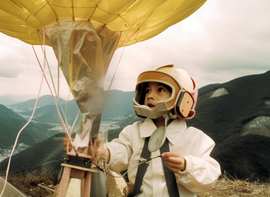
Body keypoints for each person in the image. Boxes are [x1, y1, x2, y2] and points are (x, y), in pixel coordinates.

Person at [64, 64, 221, 197]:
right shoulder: (134, 132)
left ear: (184, 100)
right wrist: (101, 152)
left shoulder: (195, 138)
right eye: (147, 91)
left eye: (160, 90)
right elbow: (122, 151)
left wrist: (186, 166)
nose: (150, 96)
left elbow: (209, 175)